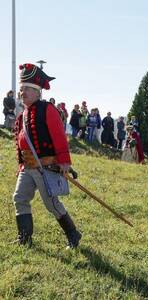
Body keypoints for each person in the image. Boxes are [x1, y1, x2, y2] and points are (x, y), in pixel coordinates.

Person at [12, 63, 81, 248]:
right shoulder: (22, 115)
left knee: (51, 204)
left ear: (37, 92)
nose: (22, 92)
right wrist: (21, 167)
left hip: (45, 167)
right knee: (20, 198)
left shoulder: (47, 109)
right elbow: (20, 145)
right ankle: (25, 237)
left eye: (27, 89)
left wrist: (64, 162)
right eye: (21, 89)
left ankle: (73, 234)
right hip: (27, 167)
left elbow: (59, 136)